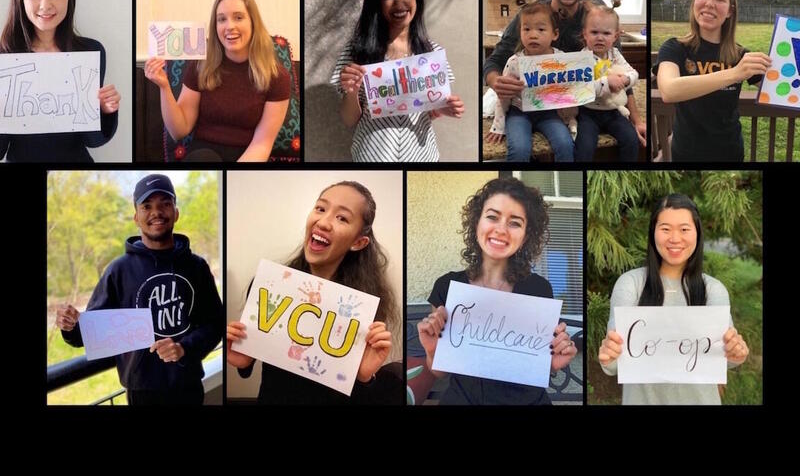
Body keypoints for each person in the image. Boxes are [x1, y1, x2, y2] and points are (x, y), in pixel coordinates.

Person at [226, 181, 402, 404]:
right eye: (320, 208)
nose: (324, 222)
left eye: (342, 218)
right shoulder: (269, 287)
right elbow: (257, 363)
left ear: (358, 242)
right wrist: (245, 362)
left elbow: (357, 392)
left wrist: (364, 378)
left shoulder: (362, 307)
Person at [56, 174, 224, 405]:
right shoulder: (118, 270)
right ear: (136, 217)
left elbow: (215, 324)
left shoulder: (196, 266)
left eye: (165, 204)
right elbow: (87, 334)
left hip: (189, 387)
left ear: (176, 212)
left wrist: (184, 348)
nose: (156, 212)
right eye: (147, 206)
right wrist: (71, 325)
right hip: (142, 393)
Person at [416, 177, 577, 405]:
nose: (501, 230)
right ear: (476, 223)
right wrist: (432, 351)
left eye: (515, 222)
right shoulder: (447, 286)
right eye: (492, 217)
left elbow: (537, 363)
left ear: (526, 236)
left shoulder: (538, 289)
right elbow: (438, 371)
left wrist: (552, 362)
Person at [485, 0, 646, 157]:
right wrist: (496, 81)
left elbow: (615, 72)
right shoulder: (530, 16)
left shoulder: (597, 16)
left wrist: (636, 119)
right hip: (526, 106)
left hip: (579, 112)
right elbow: (493, 62)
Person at [597, 193, 750, 405]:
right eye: (666, 229)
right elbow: (613, 364)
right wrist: (609, 354)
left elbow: (724, 358)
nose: (675, 239)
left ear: (697, 234)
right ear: (653, 233)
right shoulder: (630, 284)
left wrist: (736, 353)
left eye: (685, 229)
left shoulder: (713, 290)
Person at [331, 0, 464, 162]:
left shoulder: (432, 53)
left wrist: (442, 108)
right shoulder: (357, 51)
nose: (399, 2)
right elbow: (349, 120)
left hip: (421, 154)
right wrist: (351, 92)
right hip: (372, 154)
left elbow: (432, 109)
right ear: (377, 2)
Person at [0, 0, 120, 162]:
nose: (45, 5)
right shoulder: (5, 58)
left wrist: (104, 109)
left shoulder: (90, 52)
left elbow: (93, 141)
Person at [144, 0, 290, 162]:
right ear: (215, 26)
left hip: (248, 157)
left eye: (238, 17)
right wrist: (164, 86)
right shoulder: (201, 66)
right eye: (221, 19)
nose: (229, 26)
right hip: (203, 157)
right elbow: (179, 130)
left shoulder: (277, 76)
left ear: (253, 23)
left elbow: (262, 144)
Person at [655, 0, 771, 161]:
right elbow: (669, 90)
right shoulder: (674, 48)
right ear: (694, 0)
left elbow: (786, 89)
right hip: (686, 155)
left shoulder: (740, 55)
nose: (709, 3)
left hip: (730, 153)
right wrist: (735, 73)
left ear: (730, 11)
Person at [486, 3, 574, 161]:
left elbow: (567, 90)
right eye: (526, 29)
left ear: (555, 34)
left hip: (549, 113)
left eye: (541, 29)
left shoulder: (562, 60)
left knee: (565, 144)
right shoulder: (514, 62)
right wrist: (498, 126)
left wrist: (568, 117)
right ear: (520, 32)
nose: (533, 35)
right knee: (519, 150)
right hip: (519, 113)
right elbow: (503, 96)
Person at [574, 3, 640, 161]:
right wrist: (606, 82)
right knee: (584, 146)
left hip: (613, 111)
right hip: (587, 113)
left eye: (606, 33)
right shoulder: (581, 58)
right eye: (594, 32)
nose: (600, 37)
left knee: (631, 140)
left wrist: (625, 79)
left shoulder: (615, 54)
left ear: (615, 36)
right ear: (585, 34)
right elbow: (581, 90)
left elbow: (634, 74)